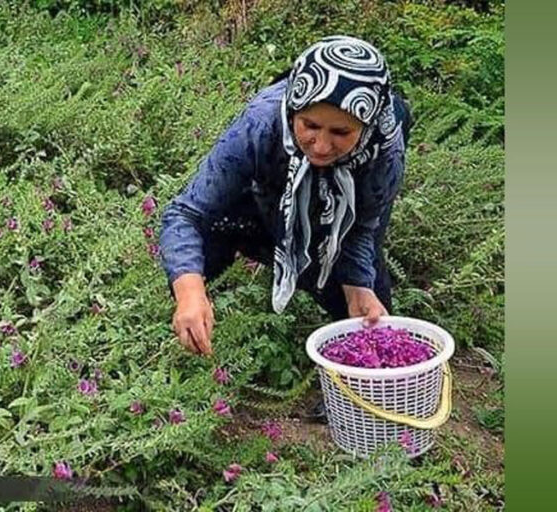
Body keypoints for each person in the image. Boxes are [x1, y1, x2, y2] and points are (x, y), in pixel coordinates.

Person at [159, 35, 413, 356]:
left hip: (348, 188)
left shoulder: (384, 150)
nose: (320, 145)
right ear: (294, 107)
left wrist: (357, 285)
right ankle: (195, 310)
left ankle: (361, 386)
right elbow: (186, 213)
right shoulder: (260, 125)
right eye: (310, 125)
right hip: (271, 179)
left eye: (340, 132)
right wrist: (189, 291)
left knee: (367, 303)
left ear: (366, 128)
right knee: (209, 244)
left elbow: (362, 225)